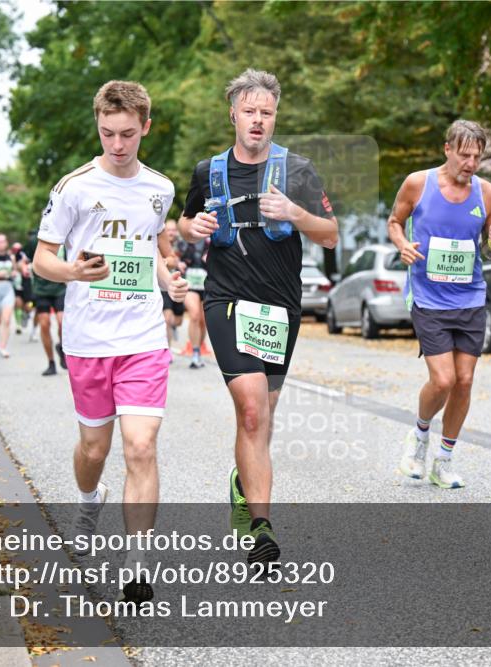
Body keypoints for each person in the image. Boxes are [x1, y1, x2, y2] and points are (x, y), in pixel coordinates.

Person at [32, 80, 187, 604]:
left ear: (145, 126)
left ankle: (137, 564)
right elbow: (42, 259)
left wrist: (172, 279)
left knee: (141, 446)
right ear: (98, 127)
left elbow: (157, 245)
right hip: (88, 339)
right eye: (107, 134)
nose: (117, 145)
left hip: (143, 337)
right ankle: (86, 499)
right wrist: (72, 271)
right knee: (94, 449)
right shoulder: (73, 187)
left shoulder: (160, 188)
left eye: (126, 134)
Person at [179, 69, 338, 566]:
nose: (257, 121)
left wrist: (295, 212)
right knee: (250, 409)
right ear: (233, 113)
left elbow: (330, 234)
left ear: (275, 117)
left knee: (262, 417)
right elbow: (183, 224)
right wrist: (194, 226)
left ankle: (241, 483)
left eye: (266, 113)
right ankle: (262, 530)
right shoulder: (208, 171)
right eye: (249, 111)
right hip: (225, 300)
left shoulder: (299, 170)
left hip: (279, 307)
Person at [389, 120, 491, 489]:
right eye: (464, 154)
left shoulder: (488, 194)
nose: (470, 163)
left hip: (469, 296)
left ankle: (444, 459)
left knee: (465, 381)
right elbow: (394, 221)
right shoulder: (417, 184)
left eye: (477, 156)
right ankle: (419, 437)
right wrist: (402, 245)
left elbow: (487, 251)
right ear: (448, 150)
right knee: (443, 380)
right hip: (427, 295)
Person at [23, 232, 67, 376]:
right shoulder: (36, 240)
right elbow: (22, 260)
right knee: (44, 324)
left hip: (61, 287)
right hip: (41, 289)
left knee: (62, 322)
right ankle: (51, 363)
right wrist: (23, 268)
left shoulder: (67, 238)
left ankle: (61, 346)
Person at [177, 232, 210, 369]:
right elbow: (173, 256)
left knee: (203, 321)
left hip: (207, 284)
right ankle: (195, 353)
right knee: (195, 315)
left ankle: (199, 350)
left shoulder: (212, 240)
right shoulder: (184, 239)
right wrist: (179, 263)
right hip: (189, 283)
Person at [160, 220, 185, 354]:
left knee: (178, 320)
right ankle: (167, 351)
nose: (170, 232)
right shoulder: (158, 241)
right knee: (167, 318)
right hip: (163, 286)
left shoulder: (182, 244)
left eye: (173, 230)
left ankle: (173, 327)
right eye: (168, 229)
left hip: (178, 285)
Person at [11, 241, 33, 335]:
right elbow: (13, 268)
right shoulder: (12, 258)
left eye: (18, 249)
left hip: (28, 284)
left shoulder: (27, 256)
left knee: (30, 305)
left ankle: (26, 314)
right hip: (18, 284)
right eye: (14, 249)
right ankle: (18, 324)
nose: (16, 251)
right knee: (17, 303)